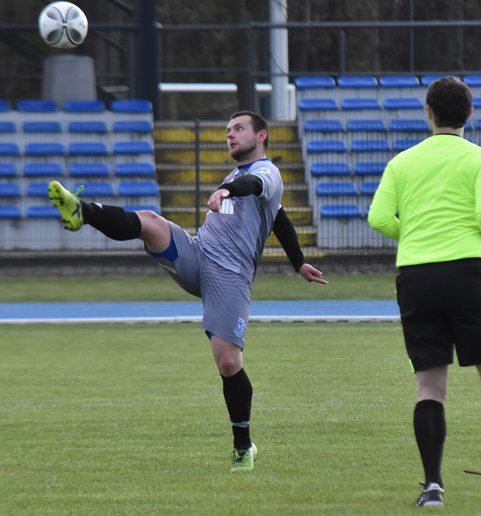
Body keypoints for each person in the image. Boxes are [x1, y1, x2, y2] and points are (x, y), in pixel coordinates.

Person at [48, 110, 327, 471]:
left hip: (230, 275)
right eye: (227, 130)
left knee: (228, 362)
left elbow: (260, 194)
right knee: (150, 221)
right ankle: (81, 211)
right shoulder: (237, 175)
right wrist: (299, 260)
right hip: (199, 253)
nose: (230, 135)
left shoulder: (266, 173)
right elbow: (279, 216)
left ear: (262, 136)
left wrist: (229, 191)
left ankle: (244, 446)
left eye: (238, 129)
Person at [367, 76, 481, 507]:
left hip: (416, 277)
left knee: (429, 388)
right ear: (469, 114)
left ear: (428, 113)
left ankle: (433, 486)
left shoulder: (402, 162)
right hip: (466, 271)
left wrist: (410, 232)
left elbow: (377, 217)